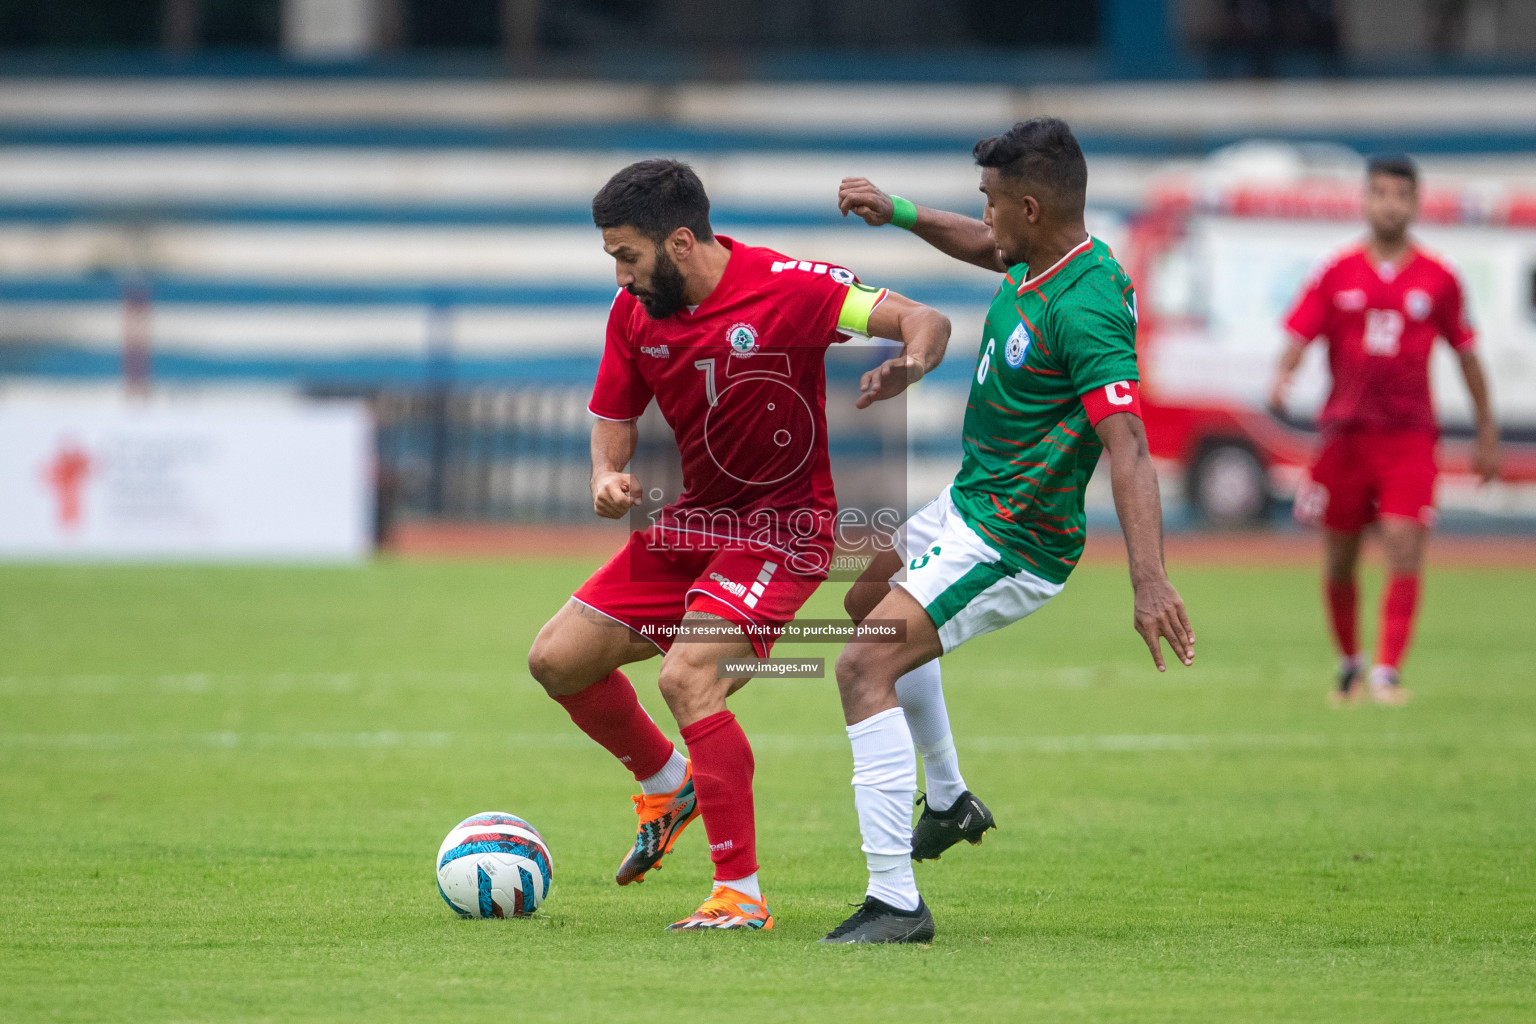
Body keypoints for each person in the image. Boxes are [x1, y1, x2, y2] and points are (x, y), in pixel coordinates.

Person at [526, 159, 950, 931]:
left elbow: (927, 318)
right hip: (697, 520)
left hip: (785, 530)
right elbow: (613, 414)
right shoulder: (634, 314)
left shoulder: (793, 287)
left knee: (689, 677)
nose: (620, 276)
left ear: (680, 242)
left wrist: (910, 362)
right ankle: (666, 781)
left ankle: (739, 896)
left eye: (627, 255)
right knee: (556, 659)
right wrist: (606, 472)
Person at [823, 117, 1195, 943]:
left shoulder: (1089, 305)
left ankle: (894, 903)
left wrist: (1149, 579)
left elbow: (1127, 447)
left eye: (990, 201)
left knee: (860, 668)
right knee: (865, 600)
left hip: (1011, 539)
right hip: (969, 501)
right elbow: (982, 247)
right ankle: (950, 800)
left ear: (1030, 205)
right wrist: (901, 213)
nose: (981, 214)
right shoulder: (1036, 254)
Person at [1269, 154, 1499, 705]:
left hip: (1409, 436)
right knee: (1340, 557)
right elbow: (1299, 334)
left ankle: (1387, 673)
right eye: (1380, 193)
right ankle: (1350, 664)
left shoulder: (1439, 278)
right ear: (1365, 200)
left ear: (1416, 204)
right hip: (1345, 435)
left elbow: (1467, 355)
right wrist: (1284, 373)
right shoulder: (1335, 271)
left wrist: (1486, 430)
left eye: (1400, 195)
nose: (1390, 204)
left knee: (1403, 542)